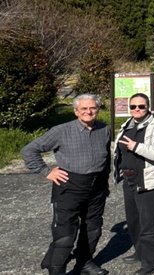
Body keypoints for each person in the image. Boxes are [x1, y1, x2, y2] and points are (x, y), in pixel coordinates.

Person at [21, 94, 112, 275]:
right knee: (65, 235)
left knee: (93, 229)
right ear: (76, 111)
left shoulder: (105, 129)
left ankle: (84, 263)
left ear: (98, 109)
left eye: (92, 108)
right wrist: (47, 172)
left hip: (96, 188)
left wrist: (105, 183)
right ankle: (57, 270)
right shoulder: (61, 130)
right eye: (84, 108)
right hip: (69, 186)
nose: (88, 111)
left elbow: (106, 157)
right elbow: (29, 150)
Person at [113, 93, 154, 275]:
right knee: (134, 221)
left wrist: (137, 147)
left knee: (149, 224)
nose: (137, 110)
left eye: (141, 106)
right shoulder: (126, 125)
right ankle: (141, 252)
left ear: (148, 108)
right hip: (129, 179)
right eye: (133, 107)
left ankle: (153, 262)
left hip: (149, 181)